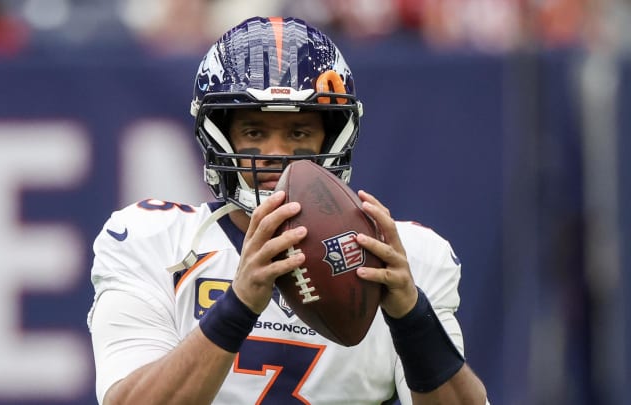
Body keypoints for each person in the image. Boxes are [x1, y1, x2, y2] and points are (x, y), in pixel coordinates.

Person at [88, 16, 489, 405]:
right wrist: (239, 304)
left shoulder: (401, 256)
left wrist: (411, 317)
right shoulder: (154, 241)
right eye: (254, 132)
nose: (276, 154)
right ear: (219, 136)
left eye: (298, 132)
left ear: (332, 139)